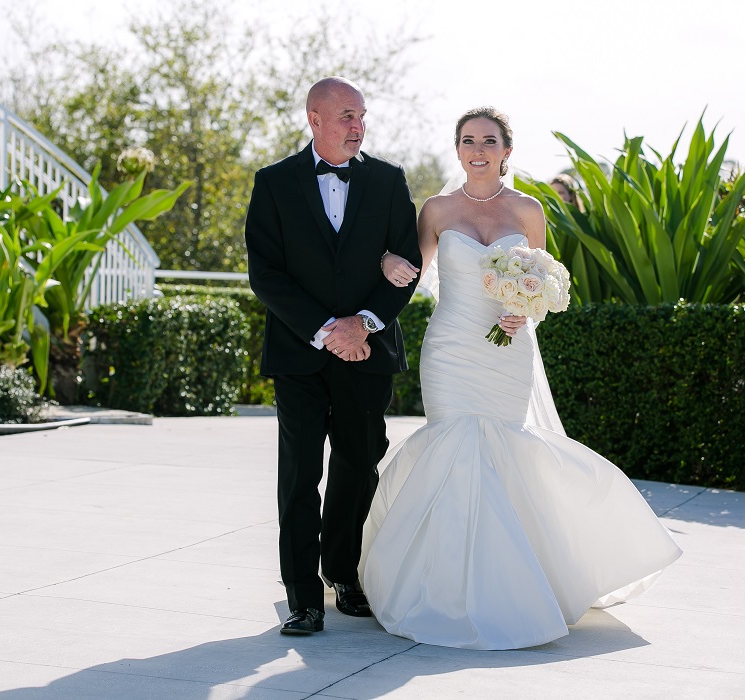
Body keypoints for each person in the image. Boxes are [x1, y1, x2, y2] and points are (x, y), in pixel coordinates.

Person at [362, 107, 682, 650]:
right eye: (468, 141)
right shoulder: (436, 209)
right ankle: (440, 586)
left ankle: (511, 584)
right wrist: (388, 260)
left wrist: (525, 310)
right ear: (457, 149)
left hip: (507, 348)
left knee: (504, 452)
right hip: (452, 348)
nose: (478, 150)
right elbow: (412, 270)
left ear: (507, 150)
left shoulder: (528, 209)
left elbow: (546, 280)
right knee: (454, 447)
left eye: (489, 141)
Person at [244, 77, 422, 636]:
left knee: (357, 464)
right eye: (346, 115)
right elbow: (265, 273)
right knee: (299, 476)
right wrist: (326, 329)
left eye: (362, 116)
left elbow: (407, 262)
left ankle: (344, 575)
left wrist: (363, 324)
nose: (357, 126)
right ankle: (303, 598)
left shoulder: (390, 181)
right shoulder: (272, 183)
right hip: (300, 354)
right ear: (314, 119)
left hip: (368, 352)